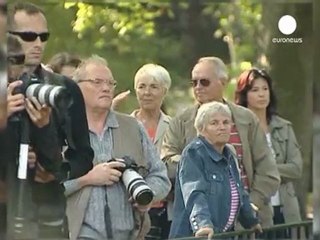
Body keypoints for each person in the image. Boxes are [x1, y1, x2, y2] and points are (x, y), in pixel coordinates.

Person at [7, 2, 94, 238]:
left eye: (43, 37)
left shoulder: (63, 88)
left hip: (47, 214)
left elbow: (84, 156)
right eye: (28, 36)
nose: (37, 44)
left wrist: (58, 171)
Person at [161, 56, 280, 228]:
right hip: (202, 224)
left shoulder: (246, 119)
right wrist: (193, 161)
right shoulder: (181, 121)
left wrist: (249, 205)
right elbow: (167, 161)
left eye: (204, 82)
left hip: (250, 221)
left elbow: (268, 170)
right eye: (194, 82)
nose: (198, 87)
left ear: (222, 82)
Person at [64, 55, 171, 240]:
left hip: (131, 234)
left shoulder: (132, 126)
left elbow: (161, 177)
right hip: (77, 234)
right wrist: (87, 179)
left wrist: (147, 195)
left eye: (110, 83)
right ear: (77, 88)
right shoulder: (63, 130)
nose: (105, 88)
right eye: (97, 82)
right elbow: (47, 189)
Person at [169, 101, 262, 239]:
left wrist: (250, 221)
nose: (222, 127)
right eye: (214, 123)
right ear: (201, 128)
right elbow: (195, 192)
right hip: (196, 235)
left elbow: (239, 192)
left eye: (226, 122)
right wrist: (203, 224)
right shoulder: (194, 153)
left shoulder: (228, 153)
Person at [235, 68, 302, 226]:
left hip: (285, 207)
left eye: (265, 89)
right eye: (255, 90)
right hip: (255, 208)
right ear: (244, 94)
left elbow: (296, 168)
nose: (262, 94)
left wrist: (265, 171)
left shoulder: (284, 127)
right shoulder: (237, 129)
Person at [131, 63, 172, 239]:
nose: (147, 92)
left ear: (165, 91)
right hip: (132, 209)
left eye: (154, 87)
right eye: (142, 86)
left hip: (167, 210)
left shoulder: (176, 126)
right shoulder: (124, 125)